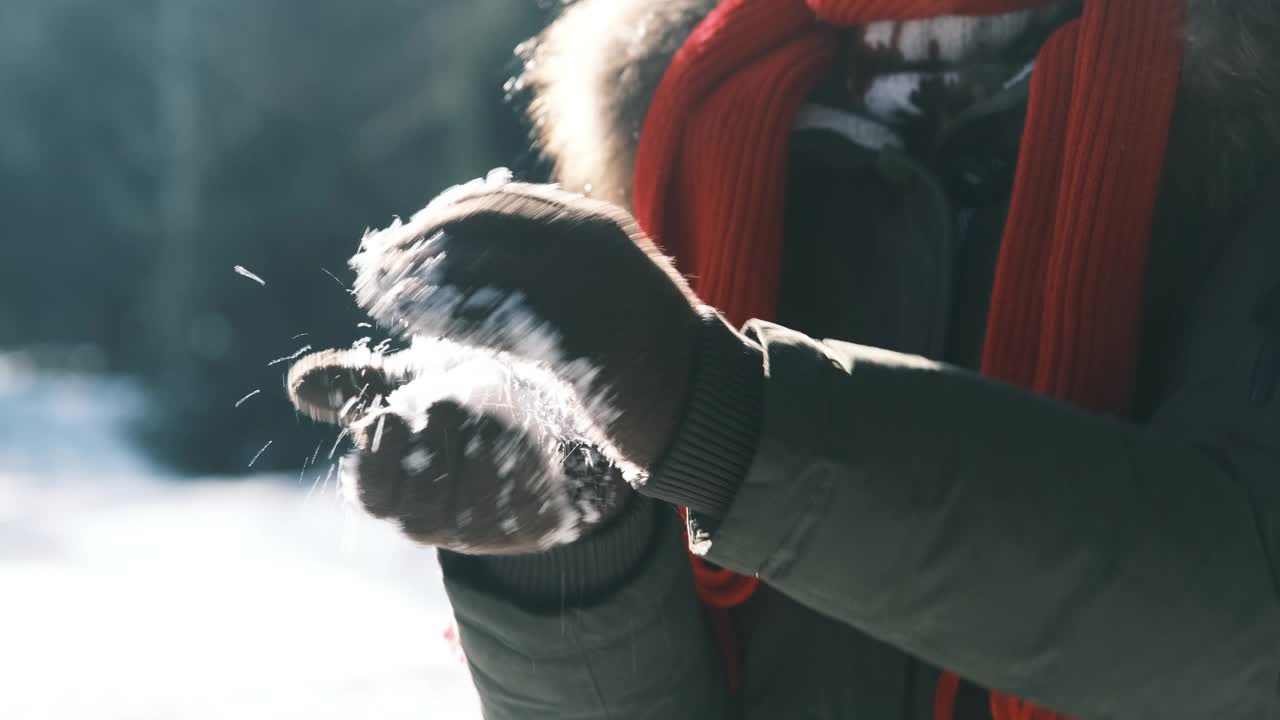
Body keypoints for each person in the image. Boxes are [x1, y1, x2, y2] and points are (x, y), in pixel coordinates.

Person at [287, 0, 1280, 717]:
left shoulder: (1249, 113)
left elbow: (1242, 628)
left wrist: (715, 410)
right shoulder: (692, 119)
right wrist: (575, 554)